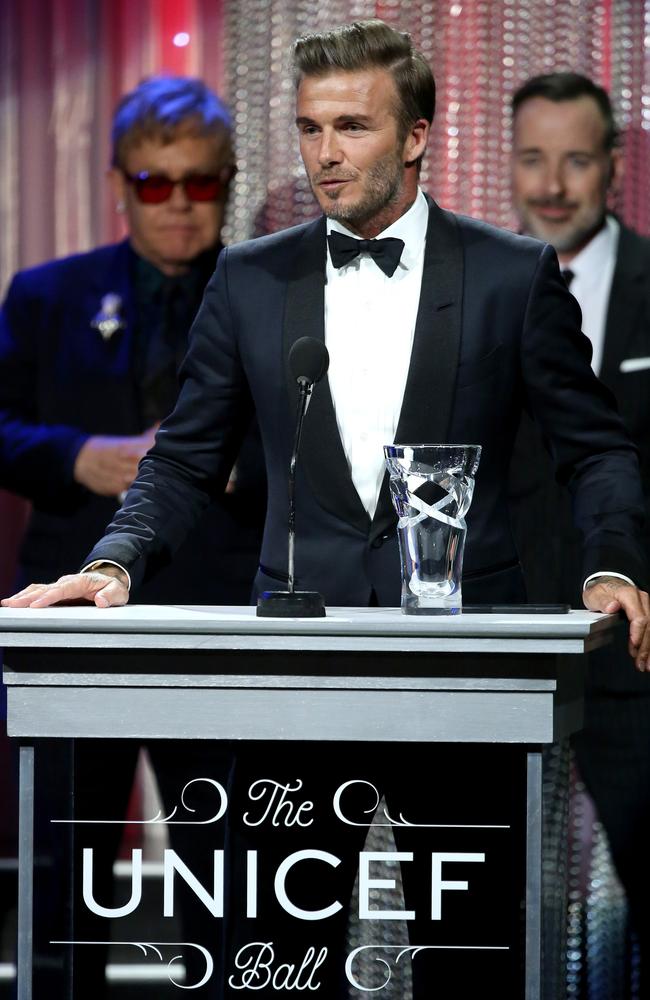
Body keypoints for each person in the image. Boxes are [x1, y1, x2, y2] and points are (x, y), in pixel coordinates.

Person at [3, 21, 650, 997]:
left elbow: (594, 446)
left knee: (464, 957)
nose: (324, 154)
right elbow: (182, 459)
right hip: (294, 675)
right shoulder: (250, 277)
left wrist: (609, 563)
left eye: (350, 126)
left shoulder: (510, 277)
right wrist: (114, 563)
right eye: (308, 129)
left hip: (463, 677)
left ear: (416, 134)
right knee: (276, 960)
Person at [0, 75, 265, 998]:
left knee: (230, 882)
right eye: (157, 185)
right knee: (63, 884)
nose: (181, 205)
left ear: (227, 182)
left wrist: (245, 466)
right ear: (120, 182)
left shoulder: (275, 294)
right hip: (75, 617)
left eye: (201, 183)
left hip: (222, 615)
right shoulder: (45, 295)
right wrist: (81, 455)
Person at [508, 71, 650, 989]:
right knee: (492, 900)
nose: (552, 184)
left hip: (639, 653)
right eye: (531, 158)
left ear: (614, 166)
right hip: (508, 641)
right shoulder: (480, 288)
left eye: (575, 159)